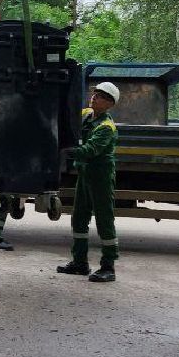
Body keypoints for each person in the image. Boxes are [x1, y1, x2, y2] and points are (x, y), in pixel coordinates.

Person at [58, 81, 121, 283]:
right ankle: (80, 262)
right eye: (95, 93)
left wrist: (63, 151)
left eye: (101, 96)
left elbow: (90, 150)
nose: (95, 97)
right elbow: (68, 116)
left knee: (104, 220)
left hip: (100, 176)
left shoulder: (106, 127)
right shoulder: (86, 114)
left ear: (110, 104)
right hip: (85, 175)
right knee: (79, 218)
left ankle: (108, 266)